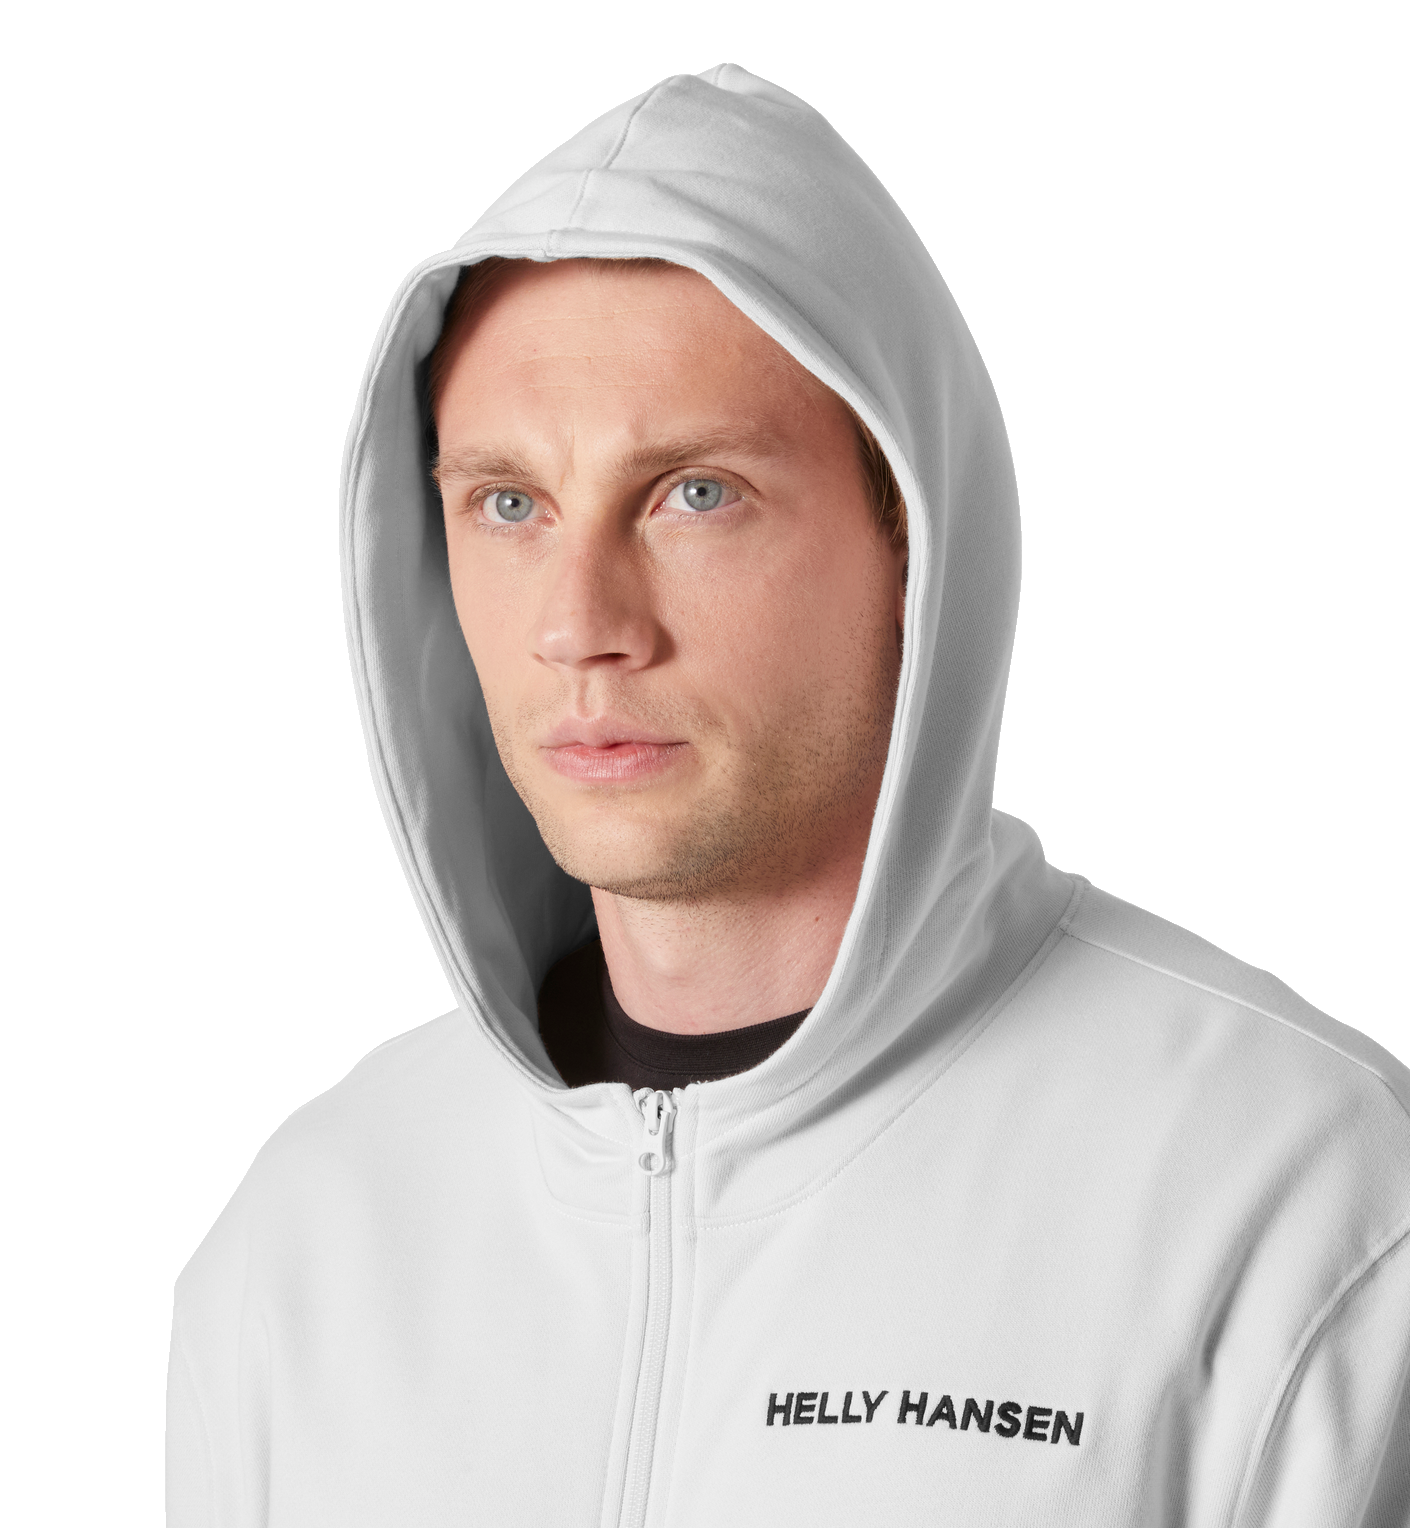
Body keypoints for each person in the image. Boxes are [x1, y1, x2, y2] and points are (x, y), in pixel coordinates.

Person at [166, 65, 1410, 1525]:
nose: (581, 624)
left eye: (695, 493)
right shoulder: (303, 1246)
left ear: (916, 545)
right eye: (509, 504)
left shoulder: (1298, 1198)